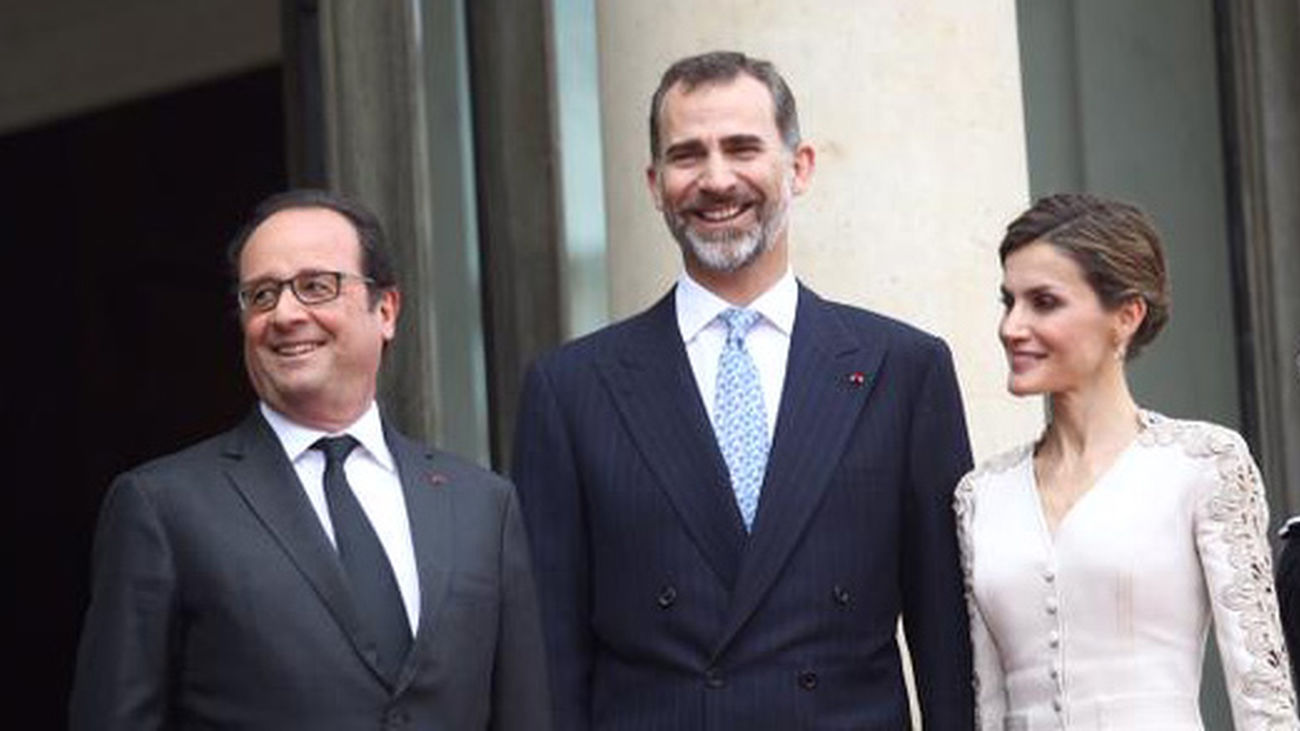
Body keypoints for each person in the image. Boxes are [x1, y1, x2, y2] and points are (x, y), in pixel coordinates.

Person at [512, 50, 974, 730]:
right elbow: (550, 653)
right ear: (654, 181)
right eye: (688, 155)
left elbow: (945, 640)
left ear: (800, 167)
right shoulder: (571, 388)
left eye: (742, 148)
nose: (716, 179)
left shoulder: (903, 369)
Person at [69, 189, 550, 730]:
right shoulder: (163, 508)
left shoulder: (483, 505)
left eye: (316, 287)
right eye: (262, 295)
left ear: (386, 309)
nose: (287, 314)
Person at [956, 192, 1298, 729]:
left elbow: (1263, 700)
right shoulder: (980, 494)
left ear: (1126, 316)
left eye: (1043, 302)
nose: (1011, 326)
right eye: (1008, 301)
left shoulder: (1204, 465)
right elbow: (987, 706)